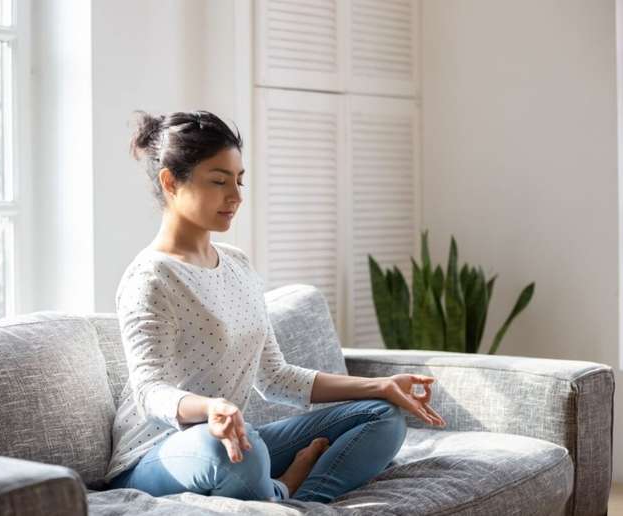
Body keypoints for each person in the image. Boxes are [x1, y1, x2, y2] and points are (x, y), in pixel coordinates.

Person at [105, 110, 446, 503]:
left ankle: (300, 503)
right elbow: (150, 391)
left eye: (239, 180)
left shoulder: (237, 264)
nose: (235, 196)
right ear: (170, 182)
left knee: (381, 417)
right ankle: (283, 488)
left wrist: (381, 386)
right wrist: (210, 408)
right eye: (219, 181)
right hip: (156, 455)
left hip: (238, 440)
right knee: (234, 454)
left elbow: (275, 377)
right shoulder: (151, 277)